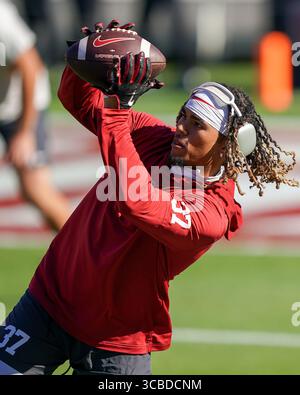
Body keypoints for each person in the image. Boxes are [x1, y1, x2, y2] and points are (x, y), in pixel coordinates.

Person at [0, 21, 298, 375]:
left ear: (228, 144)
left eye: (198, 124)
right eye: (183, 115)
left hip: (117, 338)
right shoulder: (154, 136)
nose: (182, 127)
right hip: (49, 300)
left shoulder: (211, 214)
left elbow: (135, 198)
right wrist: (92, 56)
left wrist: (118, 107)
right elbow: (78, 102)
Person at [0, 0, 70, 231]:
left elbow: (32, 67)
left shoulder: (2, 19)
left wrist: (25, 132)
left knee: (35, 189)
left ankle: (90, 255)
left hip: (18, 108)